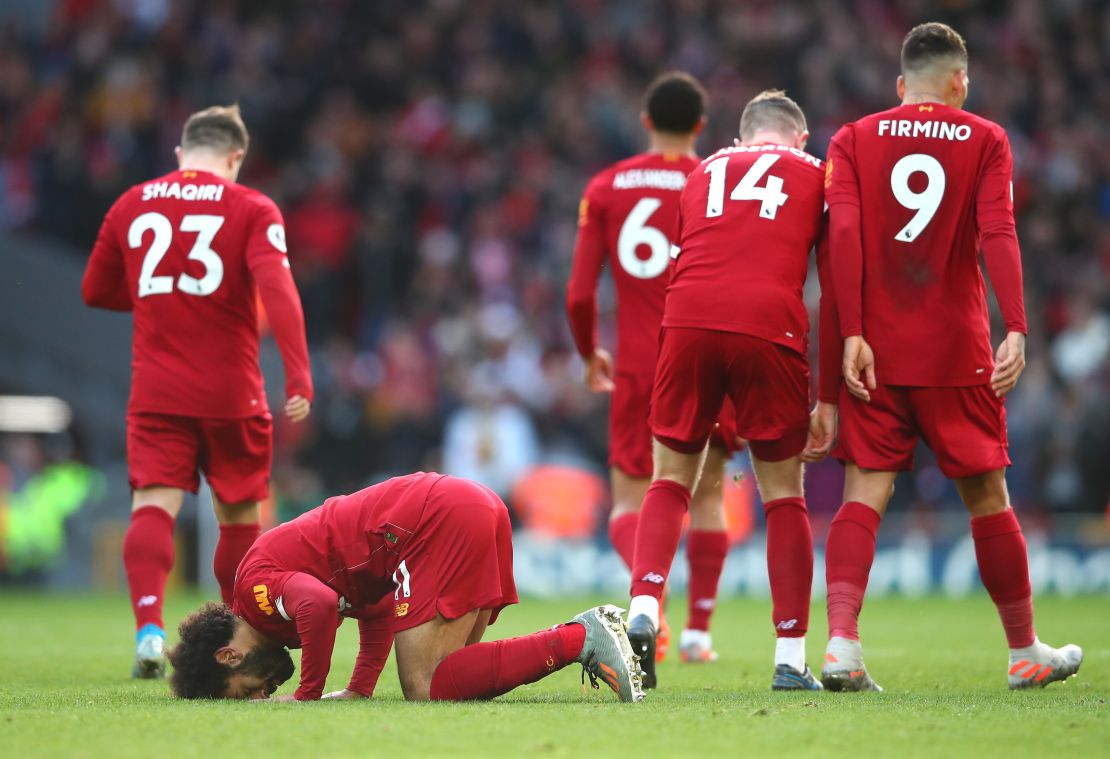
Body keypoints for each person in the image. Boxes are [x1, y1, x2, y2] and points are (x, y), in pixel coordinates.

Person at [823, 22, 1082, 691]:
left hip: (873, 351)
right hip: (954, 350)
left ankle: (841, 648)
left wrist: (851, 330)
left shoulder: (854, 137)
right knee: (987, 496)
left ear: (901, 85)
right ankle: (1024, 651)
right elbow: (999, 228)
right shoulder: (987, 137)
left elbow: (843, 234)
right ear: (960, 81)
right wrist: (1018, 325)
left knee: (864, 492)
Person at [81, 105, 313, 679]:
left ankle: (149, 632)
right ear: (236, 157)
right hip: (232, 392)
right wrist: (299, 373)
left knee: (152, 506)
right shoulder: (252, 206)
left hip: (157, 390)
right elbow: (278, 288)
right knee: (237, 516)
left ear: (182, 154)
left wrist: (161, 298)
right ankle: (237, 628)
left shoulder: (132, 203)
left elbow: (94, 291)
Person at [625, 90, 835, 690]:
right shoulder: (817, 172)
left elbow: (682, 257)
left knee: (670, 479)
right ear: (798, 139)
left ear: (742, 140)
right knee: (781, 494)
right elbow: (835, 278)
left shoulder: (702, 171)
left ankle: (643, 609)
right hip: (769, 323)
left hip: (687, 318)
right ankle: (791, 657)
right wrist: (827, 393)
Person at [167, 472, 644, 703]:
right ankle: (580, 639)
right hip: (464, 507)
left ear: (228, 657)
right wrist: (358, 689)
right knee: (450, 679)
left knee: (426, 685)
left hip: (432, 522)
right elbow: (374, 606)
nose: (260, 697)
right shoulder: (274, 615)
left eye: (243, 693)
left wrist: (307, 694)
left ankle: (580, 638)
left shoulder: (253, 592)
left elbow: (317, 602)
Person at [566, 71, 735, 664]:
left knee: (630, 503)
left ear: (645, 123)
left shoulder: (607, 185)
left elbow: (580, 294)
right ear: (700, 126)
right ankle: (699, 633)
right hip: (708, 355)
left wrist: (590, 353)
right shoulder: (716, 179)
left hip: (639, 364)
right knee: (709, 497)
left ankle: (648, 608)